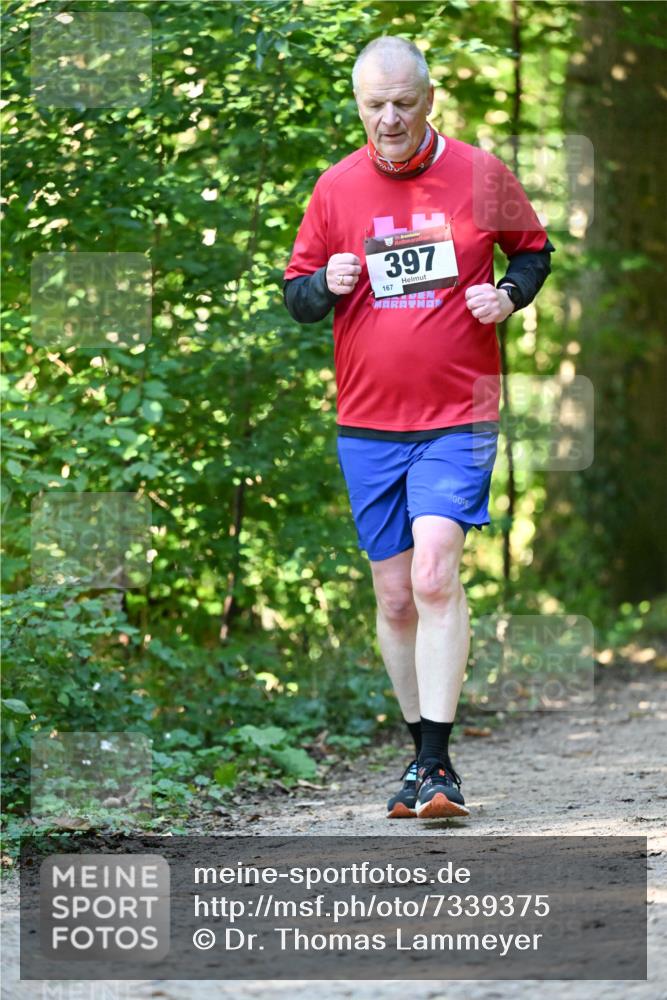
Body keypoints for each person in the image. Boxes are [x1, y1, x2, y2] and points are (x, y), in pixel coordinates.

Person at [283, 36, 554, 819]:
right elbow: (296, 295)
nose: (390, 118)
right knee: (395, 596)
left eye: (404, 102)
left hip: (457, 414)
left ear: (429, 98)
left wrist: (508, 295)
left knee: (434, 574)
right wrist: (324, 283)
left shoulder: (479, 173)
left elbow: (533, 252)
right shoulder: (335, 188)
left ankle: (437, 766)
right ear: (359, 106)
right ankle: (418, 755)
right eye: (375, 105)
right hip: (366, 423)